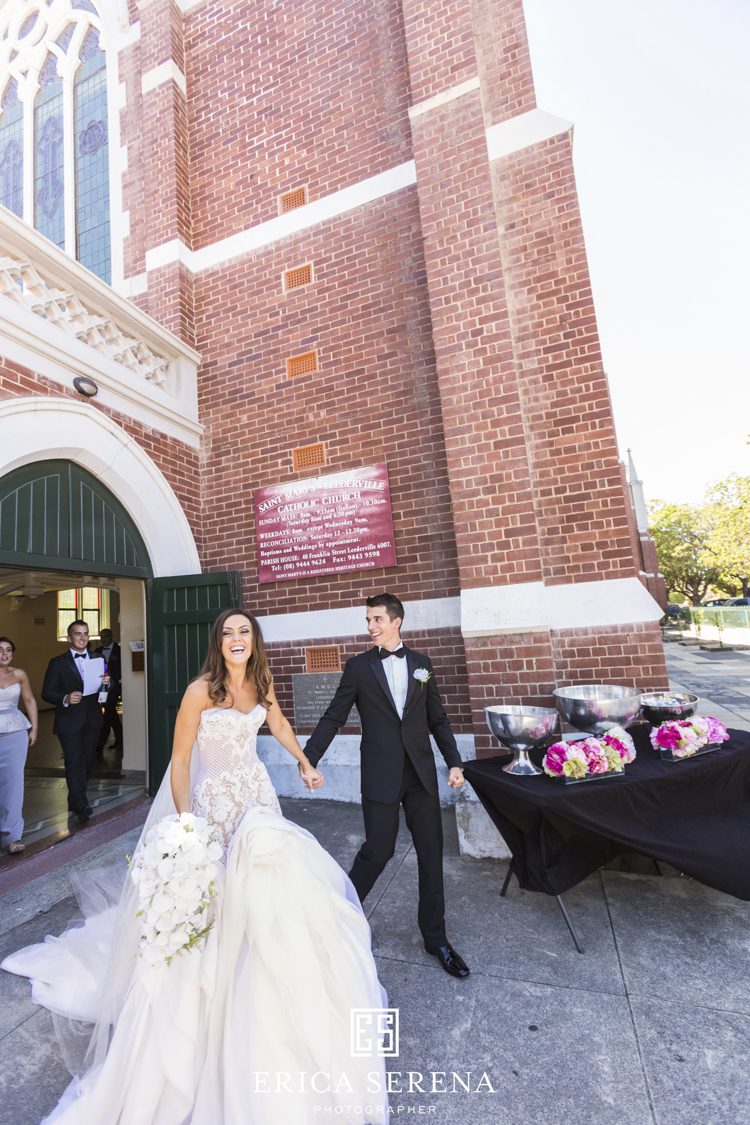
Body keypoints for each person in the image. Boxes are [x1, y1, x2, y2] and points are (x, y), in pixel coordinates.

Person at [2, 610, 388, 1124]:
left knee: (268, 890)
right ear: (218, 642)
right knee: (217, 899)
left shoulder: (261, 680)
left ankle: (262, 986)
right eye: (228, 632)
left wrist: (304, 760)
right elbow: (180, 761)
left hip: (256, 801)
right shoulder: (200, 690)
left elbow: (276, 721)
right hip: (212, 807)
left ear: (254, 640)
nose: (236, 639)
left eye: (244, 631)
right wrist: (187, 827)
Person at [304, 592, 470, 979]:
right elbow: (334, 715)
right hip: (380, 773)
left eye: (377, 619)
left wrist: (455, 762)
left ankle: (436, 939)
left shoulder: (422, 666)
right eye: (368, 621)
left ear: (397, 621)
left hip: (421, 775)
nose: (371, 627)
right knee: (377, 852)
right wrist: (308, 757)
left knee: (431, 855)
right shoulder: (359, 667)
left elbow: (438, 719)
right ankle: (337, 917)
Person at [42, 620, 107, 825]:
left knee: (87, 761)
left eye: (86, 633)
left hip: (92, 719)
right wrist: (65, 698)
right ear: (69, 638)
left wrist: (108, 682)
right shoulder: (57, 662)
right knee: (74, 761)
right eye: (77, 634)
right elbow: (46, 692)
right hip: (68, 721)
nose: (82, 637)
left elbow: (106, 685)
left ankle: (73, 799)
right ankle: (81, 804)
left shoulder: (98, 657)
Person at [0, 636, 38, 855]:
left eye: (8, 650)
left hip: (15, 732)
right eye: (0, 650)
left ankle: (13, 836)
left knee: (13, 783)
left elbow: (30, 700)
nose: (4, 654)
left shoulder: (19, 674)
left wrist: (34, 729)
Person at [93, 628, 122, 754]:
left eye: (105, 636)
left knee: (108, 713)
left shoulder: (119, 650)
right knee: (112, 714)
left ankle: (99, 744)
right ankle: (120, 740)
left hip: (114, 687)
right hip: (101, 688)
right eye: (101, 637)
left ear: (111, 636)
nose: (103, 639)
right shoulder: (97, 652)